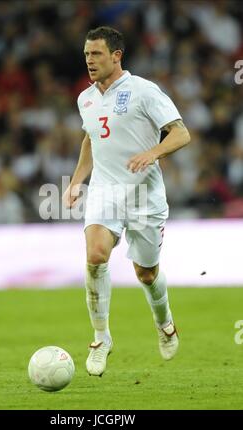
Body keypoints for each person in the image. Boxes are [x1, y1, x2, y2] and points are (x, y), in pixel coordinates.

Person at [63, 26, 191, 376]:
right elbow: (91, 138)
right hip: (105, 190)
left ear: (117, 55)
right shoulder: (85, 99)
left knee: (146, 273)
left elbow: (181, 133)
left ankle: (164, 323)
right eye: (87, 54)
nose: (90, 60)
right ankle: (101, 338)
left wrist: (153, 152)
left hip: (144, 195)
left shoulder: (144, 91)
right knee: (95, 255)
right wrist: (77, 180)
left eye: (97, 54)